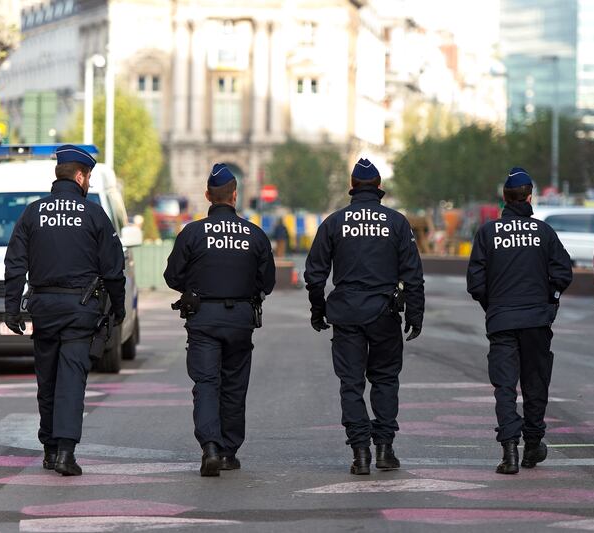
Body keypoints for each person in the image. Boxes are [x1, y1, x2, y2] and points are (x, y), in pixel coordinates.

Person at [4, 145, 126, 476]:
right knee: (71, 378)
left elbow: (15, 263)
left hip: (43, 308)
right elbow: (114, 268)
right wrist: (119, 309)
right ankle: (66, 453)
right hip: (80, 309)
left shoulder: (33, 213)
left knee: (48, 379)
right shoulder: (93, 214)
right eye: (88, 177)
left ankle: (49, 448)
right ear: (80, 176)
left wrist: (12, 308)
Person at [304, 158, 425, 475]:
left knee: (351, 383)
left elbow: (315, 275)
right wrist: (415, 313)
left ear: (353, 187)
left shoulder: (334, 222)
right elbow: (413, 274)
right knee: (385, 380)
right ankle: (384, 449)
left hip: (346, 314)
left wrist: (318, 310)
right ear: (379, 187)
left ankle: (360, 453)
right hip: (384, 313)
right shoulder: (396, 222)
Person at [164, 163, 275, 477]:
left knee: (207, 383)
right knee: (234, 386)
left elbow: (172, 276)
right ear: (235, 196)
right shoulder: (254, 234)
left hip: (203, 319)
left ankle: (210, 447)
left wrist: (195, 285)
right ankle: (228, 452)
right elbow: (266, 282)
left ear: (207, 196)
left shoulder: (193, 233)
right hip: (240, 319)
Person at [466, 167, 572, 475]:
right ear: (529, 197)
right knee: (535, 382)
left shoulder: (487, 233)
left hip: (501, 320)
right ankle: (533, 445)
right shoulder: (543, 232)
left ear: (504, 198)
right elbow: (562, 273)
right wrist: (549, 300)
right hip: (537, 320)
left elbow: (476, 283)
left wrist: (494, 306)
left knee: (505, 386)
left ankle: (509, 450)